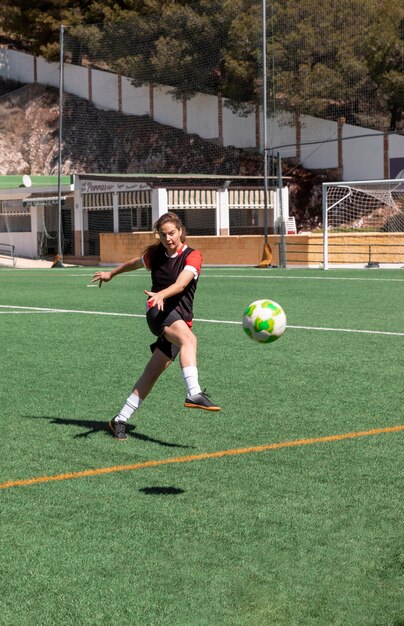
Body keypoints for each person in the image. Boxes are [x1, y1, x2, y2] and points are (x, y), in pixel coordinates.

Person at [92, 211, 220, 440]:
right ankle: (194, 393)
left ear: (180, 231)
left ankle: (119, 419)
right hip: (158, 313)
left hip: (179, 318)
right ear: (158, 236)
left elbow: (182, 284)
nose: (168, 238)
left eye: (172, 233)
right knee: (189, 340)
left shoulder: (193, 257)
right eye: (163, 235)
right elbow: (135, 263)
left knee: (151, 373)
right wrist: (111, 273)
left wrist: (163, 293)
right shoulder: (156, 254)